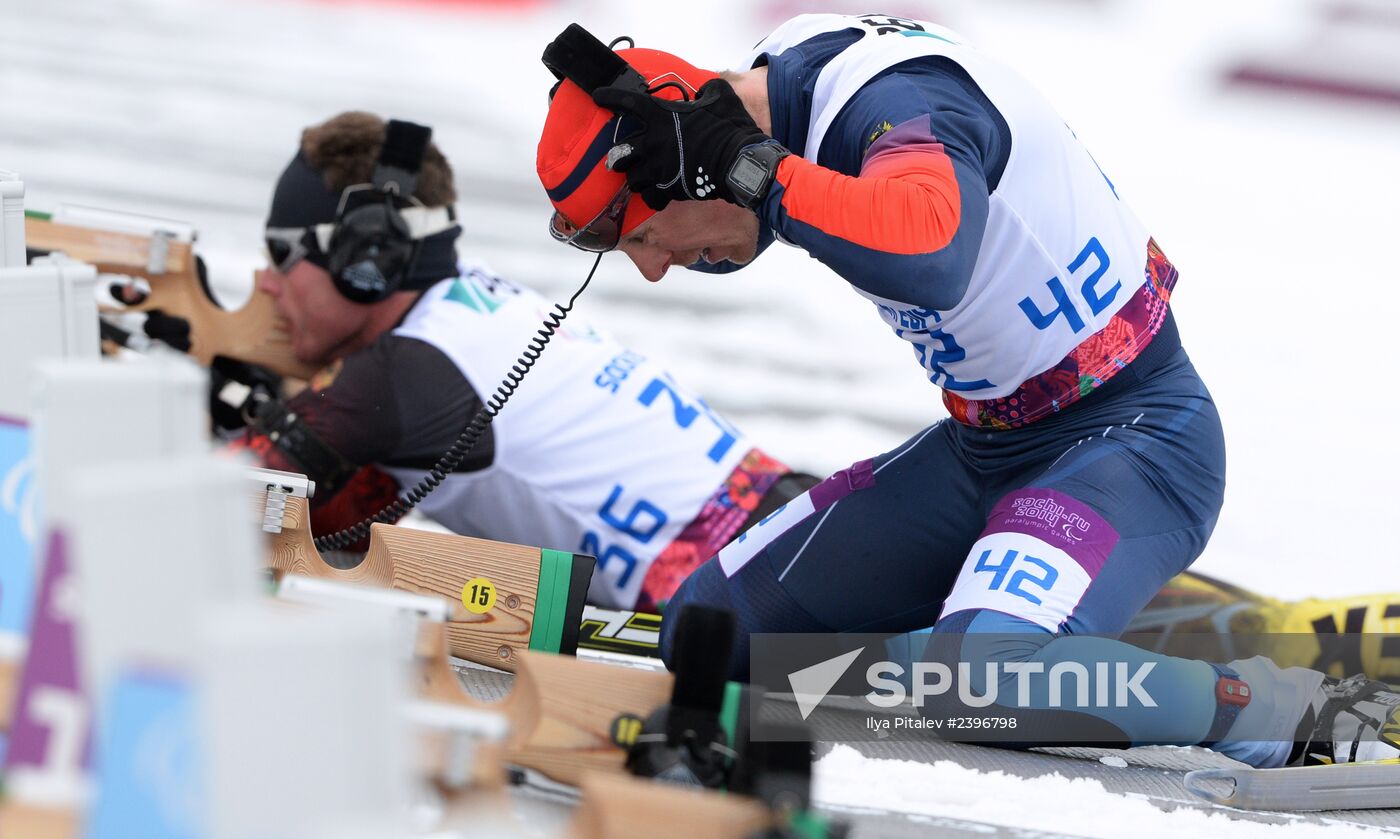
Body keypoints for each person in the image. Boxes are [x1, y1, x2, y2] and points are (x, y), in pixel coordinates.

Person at [535, 15, 1398, 767]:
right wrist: (734, 158)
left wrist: (749, 168)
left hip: (1133, 442)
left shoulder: (901, 103)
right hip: (982, 450)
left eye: (643, 236)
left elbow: (932, 254)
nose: (652, 268)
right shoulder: (773, 91)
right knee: (707, 632)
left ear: (699, 169)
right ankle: (1012, 642)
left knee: (980, 682)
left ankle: (1280, 705)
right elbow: (715, 114)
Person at [236, 110, 815, 611]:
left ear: (366, 256)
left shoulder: (401, 374)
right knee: (901, 702)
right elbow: (342, 518)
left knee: (897, 710)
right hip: (796, 535)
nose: (266, 281)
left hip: (770, 600)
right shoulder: (469, 313)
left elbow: (203, 513)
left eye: (283, 253)